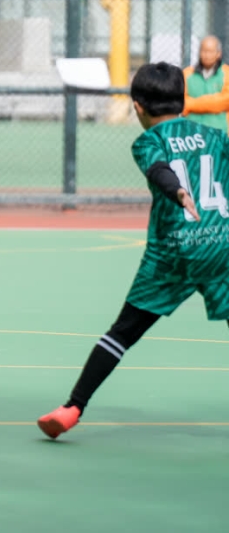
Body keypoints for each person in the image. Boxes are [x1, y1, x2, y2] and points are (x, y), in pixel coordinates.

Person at [36, 61, 229, 440]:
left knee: (122, 333)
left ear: (137, 106)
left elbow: (159, 170)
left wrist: (177, 191)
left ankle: (72, 408)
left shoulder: (147, 142)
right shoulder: (215, 137)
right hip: (222, 247)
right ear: (185, 99)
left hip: (174, 252)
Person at [183, 35, 229, 132]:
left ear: (219, 54)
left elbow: (225, 101)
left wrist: (191, 104)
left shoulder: (227, 73)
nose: (207, 55)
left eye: (211, 51)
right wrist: (213, 103)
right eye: (204, 51)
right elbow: (181, 102)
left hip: (220, 132)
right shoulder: (187, 73)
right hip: (191, 131)